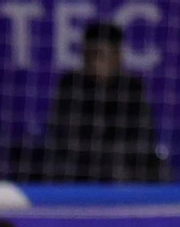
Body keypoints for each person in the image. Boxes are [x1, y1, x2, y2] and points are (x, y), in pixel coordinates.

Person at [44, 22, 162, 182]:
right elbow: (62, 134)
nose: (93, 61)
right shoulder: (70, 84)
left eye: (100, 54)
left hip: (123, 164)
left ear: (117, 56)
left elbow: (143, 136)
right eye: (88, 54)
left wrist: (111, 153)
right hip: (79, 163)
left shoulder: (133, 87)